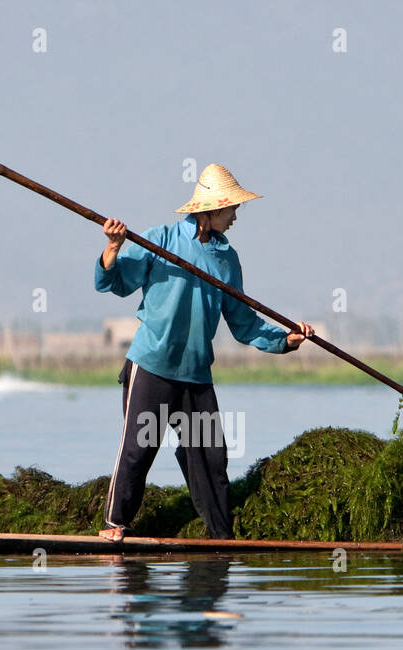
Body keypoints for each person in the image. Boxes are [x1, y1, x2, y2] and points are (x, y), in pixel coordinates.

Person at [94, 163, 313, 542]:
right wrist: (113, 248)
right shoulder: (159, 240)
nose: (236, 216)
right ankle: (115, 525)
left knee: (211, 456)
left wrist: (285, 340)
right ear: (211, 210)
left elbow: (244, 322)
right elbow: (114, 282)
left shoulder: (227, 260)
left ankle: (220, 535)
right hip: (152, 366)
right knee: (138, 450)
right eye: (233, 209)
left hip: (195, 375)